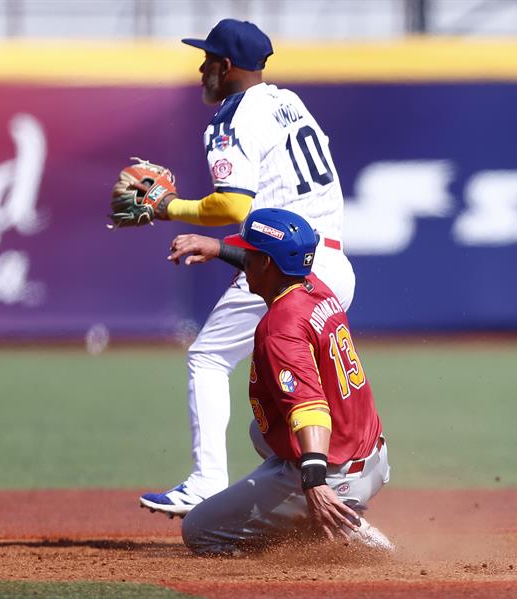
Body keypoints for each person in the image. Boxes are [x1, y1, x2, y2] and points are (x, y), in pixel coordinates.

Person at [133, 18, 356, 515]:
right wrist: (224, 249)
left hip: (289, 269)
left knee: (208, 359)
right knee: (285, 406)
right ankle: (334, 493)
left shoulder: (231, 118)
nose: (201, 67)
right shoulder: (289, 102)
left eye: (208, 59)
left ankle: (207, 482)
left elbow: (233, 207)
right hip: (334, 264)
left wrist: (170, 207)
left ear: (226, 66)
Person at [163, 208, 391, 555]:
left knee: (199, 531)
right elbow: (267, 263)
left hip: (336, 474)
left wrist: (314, 481)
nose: (245, 260)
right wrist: (219, 249)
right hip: (371, 454)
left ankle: (343, 527)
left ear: (267, 264)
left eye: (249, 254)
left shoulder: (280, 328)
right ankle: (305, 502)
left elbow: (309, 408)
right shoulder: (316, 286)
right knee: (261, 430)